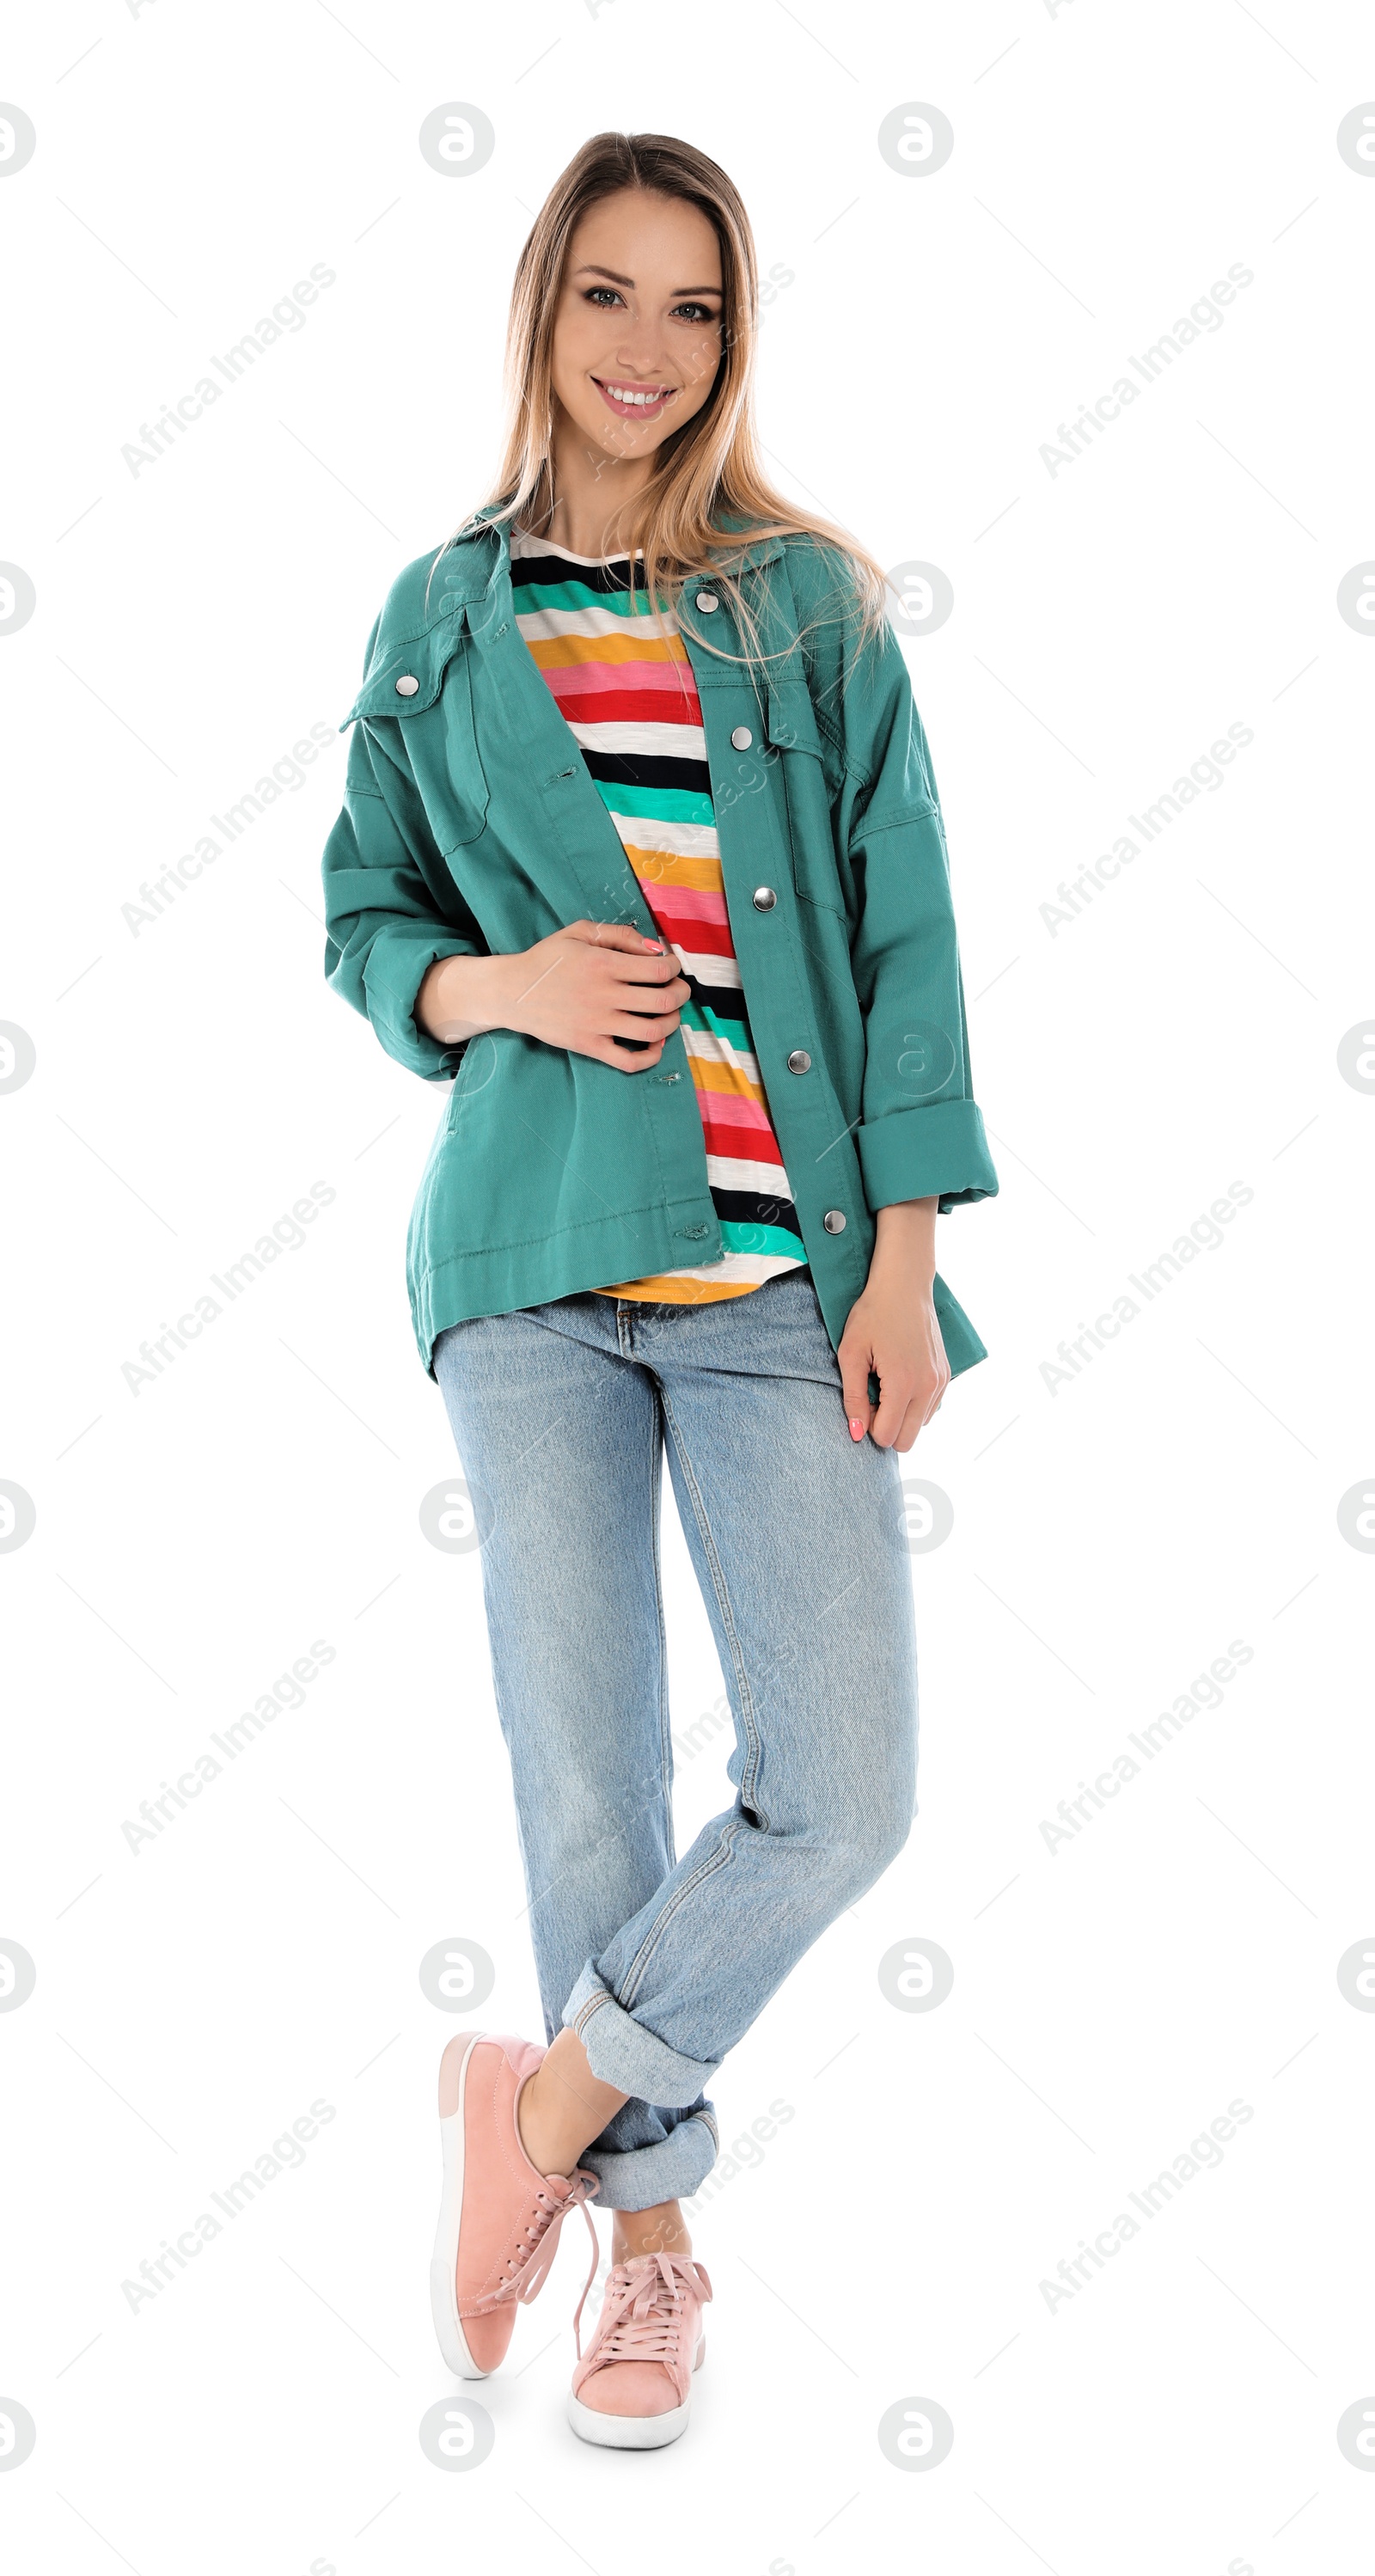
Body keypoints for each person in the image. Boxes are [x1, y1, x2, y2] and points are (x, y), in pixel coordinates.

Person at [321, 129, 998, 2450]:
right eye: (606, 297)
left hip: (773, 1282)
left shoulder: (807, 605)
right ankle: (651, 2256)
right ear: (543, 315)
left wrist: (900, 1258)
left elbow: (905, 948)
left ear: (733, 338)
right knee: (584, 1778)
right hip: (528, 1270)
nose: (645, 349)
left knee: (845, 1781)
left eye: (692, 307)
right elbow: (363, 922)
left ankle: (528, 2121)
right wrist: (497, 988)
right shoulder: (438, 612)